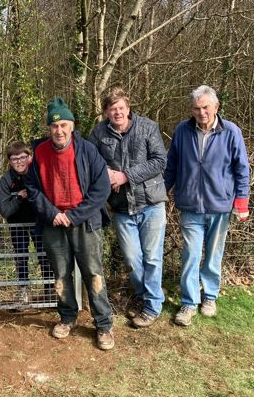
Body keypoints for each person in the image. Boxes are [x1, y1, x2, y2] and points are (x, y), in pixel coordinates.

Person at [25, 97, 115, 351]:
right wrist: (51, 213)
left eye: (64, 125)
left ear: (72, 126)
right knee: (61, 275)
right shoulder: (40, 152)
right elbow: (32, 188)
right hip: (53, 223)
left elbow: (101, 188)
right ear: (49, 129)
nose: (59, 130)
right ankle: (67, 317)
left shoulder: (87, 150)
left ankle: (104, 324)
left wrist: (75, 215)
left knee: (93, 273)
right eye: (54, 126)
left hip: (84, 223)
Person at [165, 85, 250, 326]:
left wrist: (241, 202)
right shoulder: (182, 131)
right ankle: (189, 302)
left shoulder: (231, 132)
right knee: (190, 255)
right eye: (196, 108)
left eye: (205, 107)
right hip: (190, 204)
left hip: (220, 204)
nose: (201, 112)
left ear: (216, 107)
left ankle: (209, 297)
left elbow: (242, 169)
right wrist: (162, 192)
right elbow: (172, 165)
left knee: (213, 254)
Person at [88, 86, 168, 329]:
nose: (118, 113)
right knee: (133, 259)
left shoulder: (147, 127)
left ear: (128, 108)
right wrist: (106, 173)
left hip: (151, 202)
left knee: (153, 258)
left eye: (121, 108)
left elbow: (160, 161)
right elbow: (91, 161)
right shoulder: (98, 133)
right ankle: (148, 295)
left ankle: (152, 305)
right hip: (122, 207)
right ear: (105, 113)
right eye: (112, 109)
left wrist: (126, 176)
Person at [0, 141, 53, 304]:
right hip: (17, 224)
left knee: (45, 255)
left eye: (23, 157)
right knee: (21, 256)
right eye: (14, 159)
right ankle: (24, 291)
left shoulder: (38, 173)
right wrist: (20, 197)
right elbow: (5, 211)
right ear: (9, 161)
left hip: (39, 222)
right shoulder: (6, 180)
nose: (19, 162)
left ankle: (50, 290)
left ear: (30, 157)